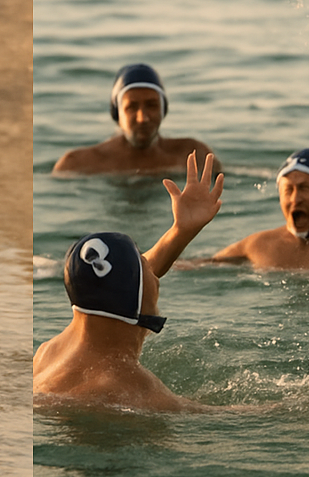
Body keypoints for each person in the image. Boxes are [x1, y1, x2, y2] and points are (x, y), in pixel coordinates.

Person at [34, 151, 224, 411]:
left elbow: (120, 283)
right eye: (144, 264)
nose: (155, 273)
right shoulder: (129, 389)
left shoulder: (47, 354)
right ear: (132, 294)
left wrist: (181, 231)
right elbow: (223, 419)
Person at [52, 63, 220, 176]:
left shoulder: (192, 155)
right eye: (131, 107)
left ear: (164, 110)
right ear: (117, 114)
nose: (143, 118)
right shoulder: (77, 164)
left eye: (152, 105)